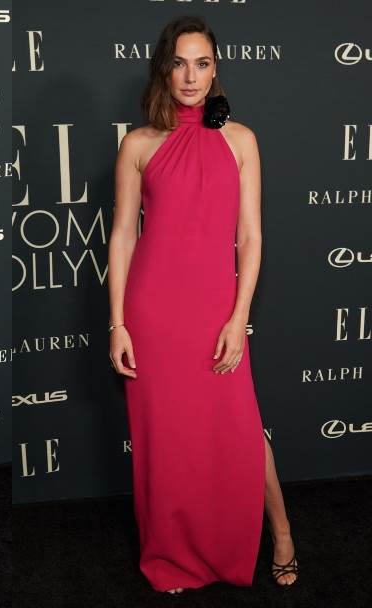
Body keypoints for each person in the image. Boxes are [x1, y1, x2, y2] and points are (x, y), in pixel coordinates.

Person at [107, 15, 297, 593]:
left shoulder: (240, 141)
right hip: (152, 311)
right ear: (164, 70)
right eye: (179, 63)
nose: (190, 76)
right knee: (168, 440)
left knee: (241, 428)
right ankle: (174, 555)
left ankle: (282, 533)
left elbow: (251, 237)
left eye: (202, 63)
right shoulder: (138, 144)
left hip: (216, 308)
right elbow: (123, 235)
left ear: (216, 71)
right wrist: (117, 322)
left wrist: (239, 317)